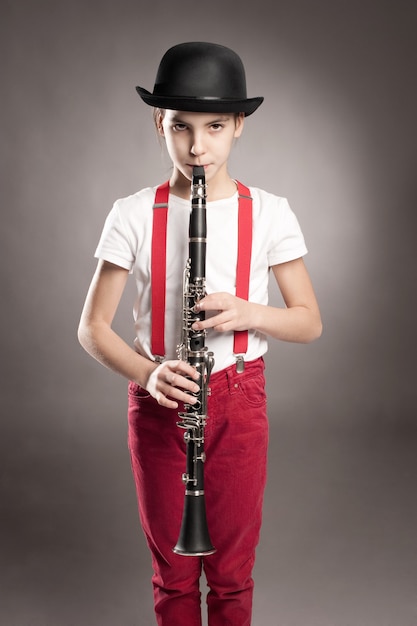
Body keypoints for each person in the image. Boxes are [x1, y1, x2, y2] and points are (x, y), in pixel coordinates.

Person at [78, 41, 322, 626]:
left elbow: (309, 321)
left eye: (214, 126)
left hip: (241, 398)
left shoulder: (269, 212)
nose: (196, 145)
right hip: (164, 398)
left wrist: (248, 312)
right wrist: (149, 372)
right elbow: (92, 328)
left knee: (234, 574)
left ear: (239, 125)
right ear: (157, 124)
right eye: (179, 126)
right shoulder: (134, 212)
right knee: (174, 577)